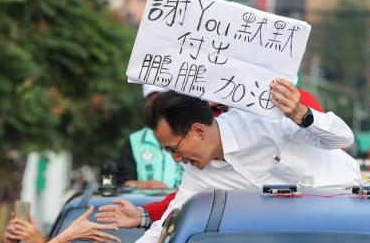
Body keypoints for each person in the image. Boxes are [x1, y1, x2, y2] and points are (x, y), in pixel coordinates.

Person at [82, 78, 361, 243]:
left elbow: (343, 138)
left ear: (198, 131)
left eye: (173, 149)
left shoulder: (264, 121)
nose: (176, 160)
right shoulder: (200, 176)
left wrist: (301, 113)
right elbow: (163, 229)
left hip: (348, 215)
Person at [99, 84, 328, 229]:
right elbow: (195, 190)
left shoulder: (287, 104)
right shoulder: (206, 125)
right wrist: (147, 214)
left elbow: (329, 155)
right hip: (239, 233)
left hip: (308, 223)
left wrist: (300, 114)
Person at [115, 84, 185, 189]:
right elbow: (122, 183)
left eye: (162, 100)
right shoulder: (134, 141)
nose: (157, 106)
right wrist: (147, 185)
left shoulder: (189, 137)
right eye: (152, 99)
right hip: (142, 205)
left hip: (183, 204)